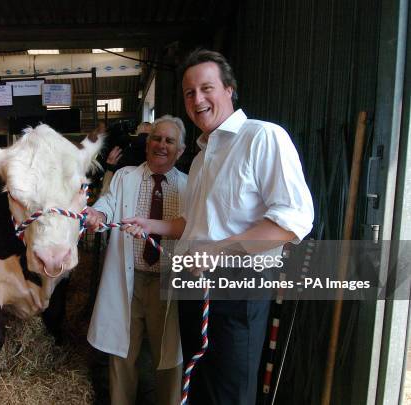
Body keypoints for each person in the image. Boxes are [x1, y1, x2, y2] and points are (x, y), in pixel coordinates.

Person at [123, 49, 314, 404]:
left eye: (206, 88)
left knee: (229, 392)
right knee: (198, 386)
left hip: (236, 288)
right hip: (194, 285)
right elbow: (195, 226)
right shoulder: (200, 159)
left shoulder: (262, 137)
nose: (197, 99)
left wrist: (218, 252)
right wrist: (149, 224)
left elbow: (293, 220)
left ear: (229, 89)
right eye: (189, 93)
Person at [85, 115, 187, 405]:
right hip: (128, 281)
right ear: (146, 144)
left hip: (167, 286)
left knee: (170, 360)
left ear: (180, 151)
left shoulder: (189, 186)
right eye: (156, 138)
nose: (161, 145)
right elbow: (107, 201)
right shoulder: (124, 176)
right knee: (122, 356)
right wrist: (99, 214)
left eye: (169, 141)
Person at [101, 122, 153, 195]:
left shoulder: (126, 145)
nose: (135, 131)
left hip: (124, 191)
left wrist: (110, 167)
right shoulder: (157, 151)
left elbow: (106, 191)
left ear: (144, 128)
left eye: (137, 129)